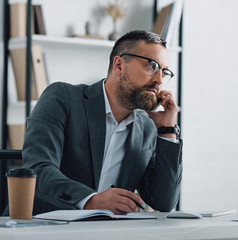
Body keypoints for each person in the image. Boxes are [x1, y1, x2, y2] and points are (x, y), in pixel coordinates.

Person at [21, 30, 183, 215]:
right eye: (152, 66)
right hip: (40, 226)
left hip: (106, 232)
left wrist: (167, 130)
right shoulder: (62, 98)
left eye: (165, 72)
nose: (159, 80)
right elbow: (37, 169)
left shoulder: (146, 129)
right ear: (119, 65)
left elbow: (163, 202)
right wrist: (92, 200)